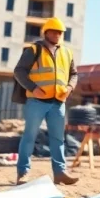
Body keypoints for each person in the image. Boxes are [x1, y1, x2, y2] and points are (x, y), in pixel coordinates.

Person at [14, 17, 79, 186]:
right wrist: (33, 87)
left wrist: (70, 88)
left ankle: (60, 173)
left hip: (58, 102)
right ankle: (23, 173)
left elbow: (74, 74)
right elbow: (19, 71)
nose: (57, 35)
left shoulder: (67, 52)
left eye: (60, 32)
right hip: (37, 101)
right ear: (46, 32)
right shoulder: (34, 50)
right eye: (54, 32)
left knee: (58, 139)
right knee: (30, 136)